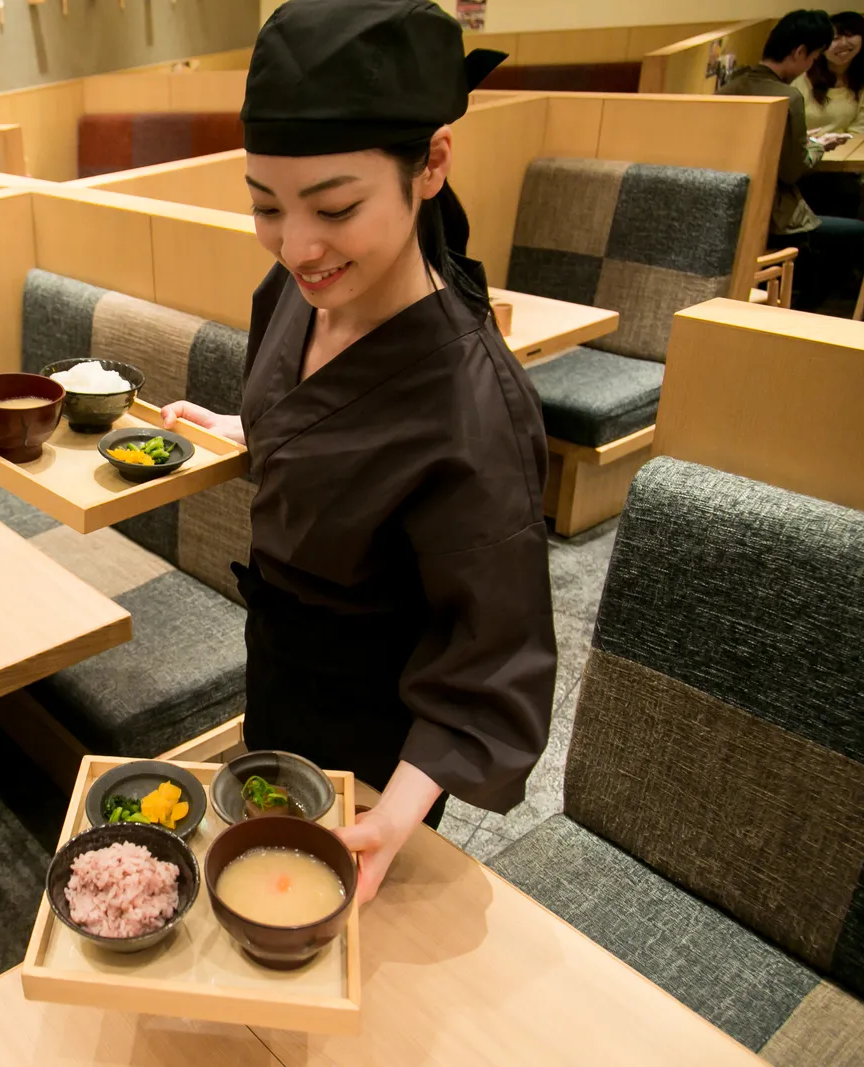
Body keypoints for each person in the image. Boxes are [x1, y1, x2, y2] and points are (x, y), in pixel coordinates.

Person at [159, 0, 555, 904]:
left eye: (336, 208)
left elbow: (493, 649)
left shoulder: (471, 405)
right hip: (279, 653)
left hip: (386, 722)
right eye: (265, 206)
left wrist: (396, 813)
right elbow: (321, 420)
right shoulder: (303, 288)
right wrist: (245, 428)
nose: (297, 246)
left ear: (432, 165)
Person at [719, 10, 864, 311]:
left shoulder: (729, 87)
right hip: (771, 217)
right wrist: (817, 146)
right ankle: (804, 309)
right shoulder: (787, 97)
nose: (812, 65)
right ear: (800, 52)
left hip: (731, 205)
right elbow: (792, 171)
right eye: (814, 57)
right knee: (861, 235)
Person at [796, 11, 864, 217]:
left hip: (843, 170)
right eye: (835, 38)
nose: (843, 43)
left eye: (850, 35)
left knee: (842, 193)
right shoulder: (803, 71)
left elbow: (862, 129)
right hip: (803, 162)